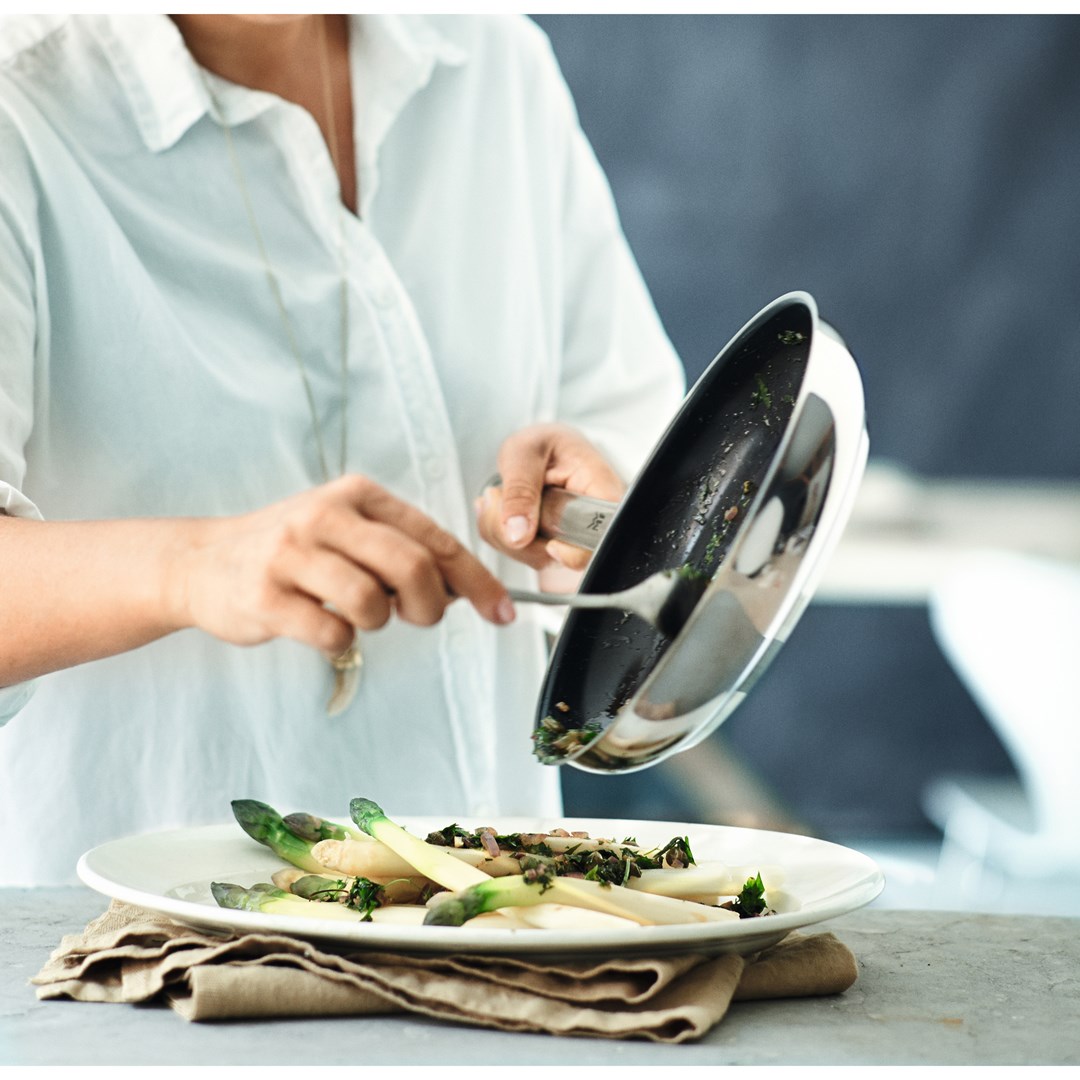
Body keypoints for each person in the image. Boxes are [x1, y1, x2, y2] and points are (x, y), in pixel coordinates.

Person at [0, 14, 685, 884]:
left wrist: (586, 515)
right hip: (143, 937)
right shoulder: (19, 103)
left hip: (505, 919)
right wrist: (191, 566)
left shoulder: (493, 61)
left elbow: (638, 438)